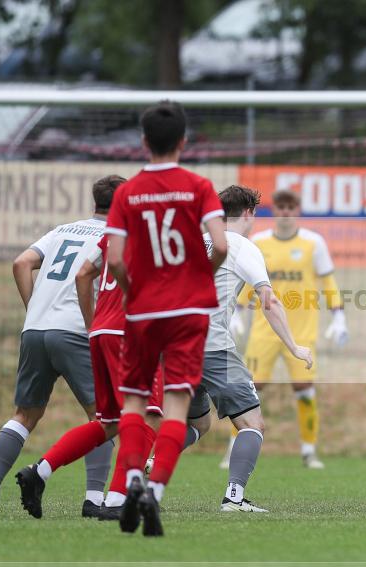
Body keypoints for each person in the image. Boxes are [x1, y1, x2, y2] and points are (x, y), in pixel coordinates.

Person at [105, 101, 228, 536]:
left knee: (135, 401)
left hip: (143, 309)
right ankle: (154, 493)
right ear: (183, 141)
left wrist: (132, 288)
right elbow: (222, 245)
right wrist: (198, 279)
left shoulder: (127, 192)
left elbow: (115, 257)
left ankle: (133, 478)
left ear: (143, 142)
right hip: (189, 310)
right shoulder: (199, 185)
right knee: (177, 404)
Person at [14, 175, 167, 520]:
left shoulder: (119, 233)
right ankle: (114, 501)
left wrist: (93, 323)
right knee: (147, 414)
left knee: (110, 421)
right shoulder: (160, 237)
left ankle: (39, 471)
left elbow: (84, 274)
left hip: (101, 333)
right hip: (131, 337)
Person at [0, 177, 115, 518]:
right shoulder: (115, 236)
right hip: (77, 330)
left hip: (34, 329)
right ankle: (94, 499)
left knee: (24, 415)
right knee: (103, 416)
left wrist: (34, 308)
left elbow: (21, 263)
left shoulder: (63, 230)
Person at [187, 185, 312, 512]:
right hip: (211, 346)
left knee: (195, 425)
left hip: (172, 346)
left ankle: (149, 463)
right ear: (248, 214)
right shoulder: (242, 246)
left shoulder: (192, 242)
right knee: (252, 424)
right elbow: (268, 300)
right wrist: (294, 346)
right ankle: (234, 497)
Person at [224, 189, 347, 470]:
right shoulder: (258, 242)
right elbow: (246, 278)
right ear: (274, 210)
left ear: (298, 210)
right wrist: (238, 313)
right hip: (263, 331)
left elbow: (329, 283)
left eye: (292, 207)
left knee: (304, 389)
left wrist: (339, 316)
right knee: (249, 389)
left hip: (302, 330)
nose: (286, 213)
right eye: (281, 207)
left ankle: (309, 451)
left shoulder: (314, 243)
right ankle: (233, 447)